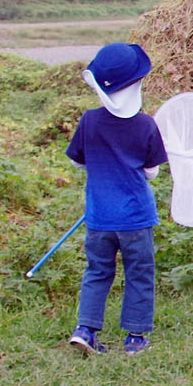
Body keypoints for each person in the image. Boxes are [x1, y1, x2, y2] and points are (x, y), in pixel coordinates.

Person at [65, 42, 169, 356]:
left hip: (99, 217)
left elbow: (77, 161)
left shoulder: (89, 121)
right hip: (136, 218)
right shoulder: (146, 124)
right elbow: (151, 173)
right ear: (136, 84)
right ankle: (135, 339)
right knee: (139, 273)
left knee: (97, 271)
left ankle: (86, 329)